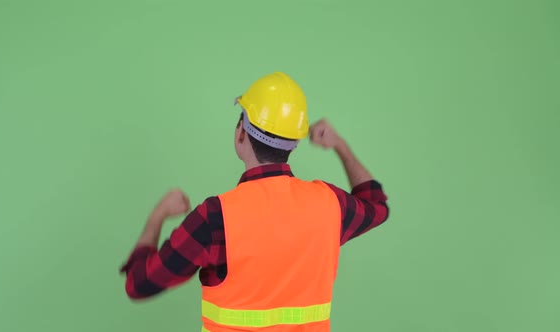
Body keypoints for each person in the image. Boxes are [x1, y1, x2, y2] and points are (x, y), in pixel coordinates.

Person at [120, 72, 390, 332]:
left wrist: (157, 215)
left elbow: (139, 283)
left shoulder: (215, 218)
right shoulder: (330, 204)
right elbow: (376, 204)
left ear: (241, 133)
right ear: (293, 143)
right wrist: (339, 144)